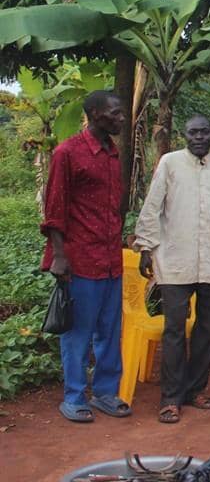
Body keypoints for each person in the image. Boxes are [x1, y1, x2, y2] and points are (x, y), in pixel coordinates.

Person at [41, 90, 132, 423]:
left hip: (110, 259)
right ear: (95, 114)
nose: (121, 118)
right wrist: (59, 256)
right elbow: (55, 207)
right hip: (80, 260)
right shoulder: (68, 153)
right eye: (115, 113)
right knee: (78, 333)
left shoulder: (112, 153)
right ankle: (75, 396)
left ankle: (105, 393)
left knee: (109, 331)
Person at [135, 115, 210, 423]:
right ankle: (171, 398)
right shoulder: (170, 163)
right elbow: (152, 205)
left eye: (204, 132)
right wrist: (146, 247)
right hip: (175, 258)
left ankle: (195, 389)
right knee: (174, 329)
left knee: (209, 328)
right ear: (184, 135)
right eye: (193, 132)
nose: (199, 137)